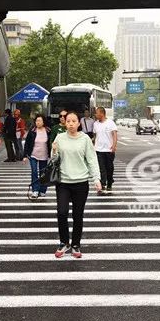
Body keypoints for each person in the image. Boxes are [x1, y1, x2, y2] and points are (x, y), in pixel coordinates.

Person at [52, 111, 102, 259]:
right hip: (63, 182)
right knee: (62, 212)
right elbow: (53, 160)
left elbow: (92, 159)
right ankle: (64, 242)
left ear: (78, 123)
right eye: (68, 121)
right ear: (65, 123)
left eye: (74, 121)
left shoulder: (85, 139)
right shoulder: (60, 137)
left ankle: (75, 244)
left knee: (77, 215)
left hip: (81, 182)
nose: (71, 123)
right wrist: (54, 150)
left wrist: (96, 179)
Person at [22, 114, 51, 199]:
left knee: (43, 173)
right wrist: (25, 156)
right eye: (36, 121)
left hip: (44, 155)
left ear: (43, 122)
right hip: (33, 155)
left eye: (40, 121)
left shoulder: (48, 131)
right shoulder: (32, 131)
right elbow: (27, 144)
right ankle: (35, 190)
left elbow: (52, 142)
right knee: (34, 172)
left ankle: (42, 190)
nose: (38, 122)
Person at [93, 106, 118, 193]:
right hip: (99, 149)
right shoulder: (95, 124)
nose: (95, 114)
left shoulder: (110, 123)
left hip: (109, 150)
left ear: (102, 113)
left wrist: (114, 145)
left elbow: (114, 134)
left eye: (97, 113)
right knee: (101, 168)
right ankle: (103, 184)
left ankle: (110, 183)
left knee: (109, 168)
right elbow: (95, 136)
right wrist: (93, 145)